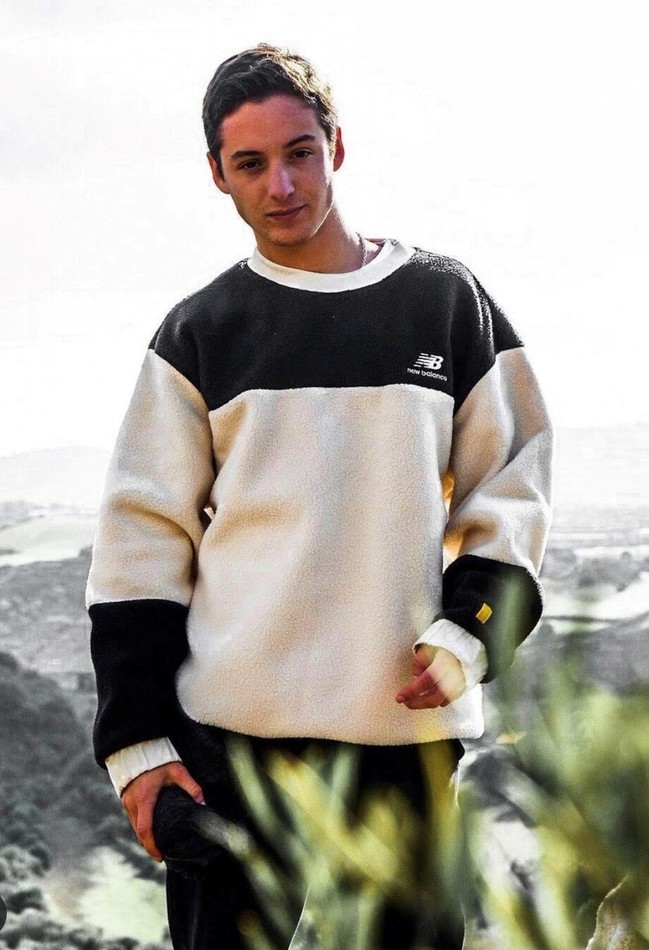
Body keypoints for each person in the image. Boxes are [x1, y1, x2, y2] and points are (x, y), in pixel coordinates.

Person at [87, 43, 553, 949]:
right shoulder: (199, 333)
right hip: (230, 750)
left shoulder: (443, 303)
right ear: (217, 174)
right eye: (250, 163)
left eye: (299, 152)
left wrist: (470, 630)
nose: (282, 185)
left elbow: (514, 481)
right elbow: (141, 543)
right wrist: (138, 748)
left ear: (335, 145)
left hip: (403, 737)